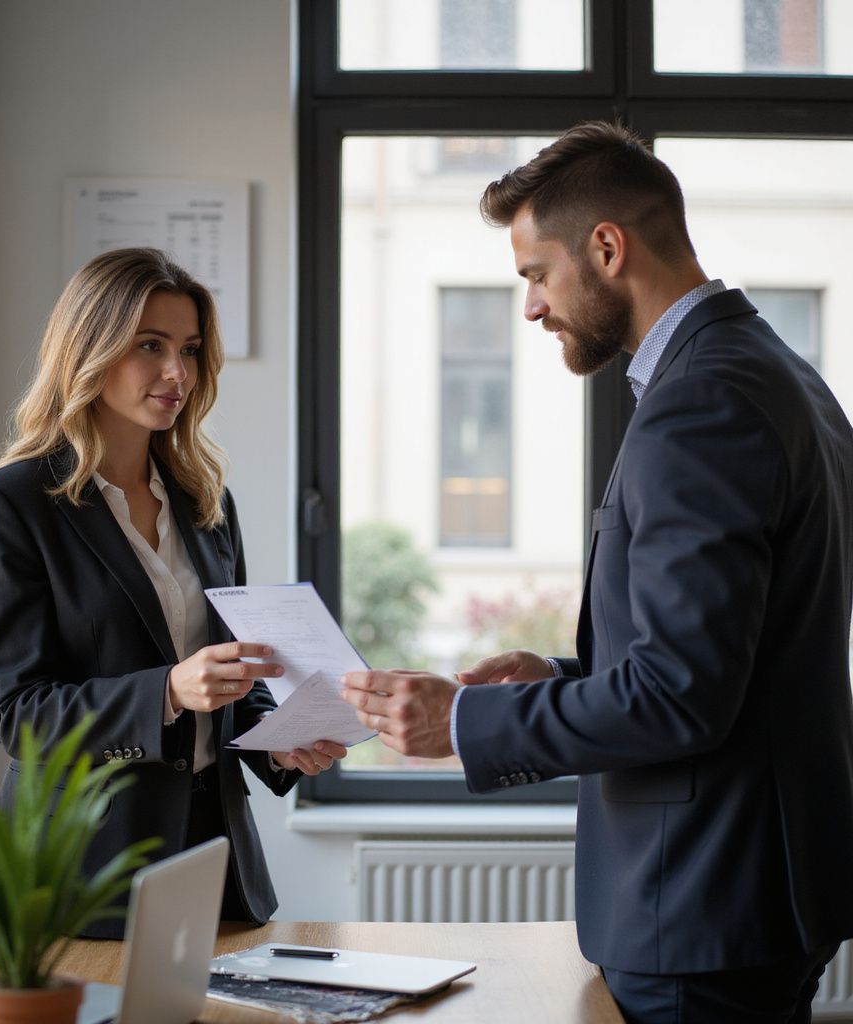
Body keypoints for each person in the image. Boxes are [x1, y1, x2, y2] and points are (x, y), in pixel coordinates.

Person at [341, 122, 853, 1023]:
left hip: (702, 902)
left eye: (537, 274)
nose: (532, 307)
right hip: (753, 891)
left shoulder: (704, 401)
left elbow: (682, 695)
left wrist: (464, 720)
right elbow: (740, 655)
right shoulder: (782, 374)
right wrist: (561, 674)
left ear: (607, 248)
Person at [0, 247, 346, 938]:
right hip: (84, 871)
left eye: (190, 349)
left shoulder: (207, 502)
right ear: (91, 350)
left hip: (215, 855)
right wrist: (167, 690)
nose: (178, 373)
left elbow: (228, 672)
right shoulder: (10, 503)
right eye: (151, 346)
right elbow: (19, 714)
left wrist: (275, 742)